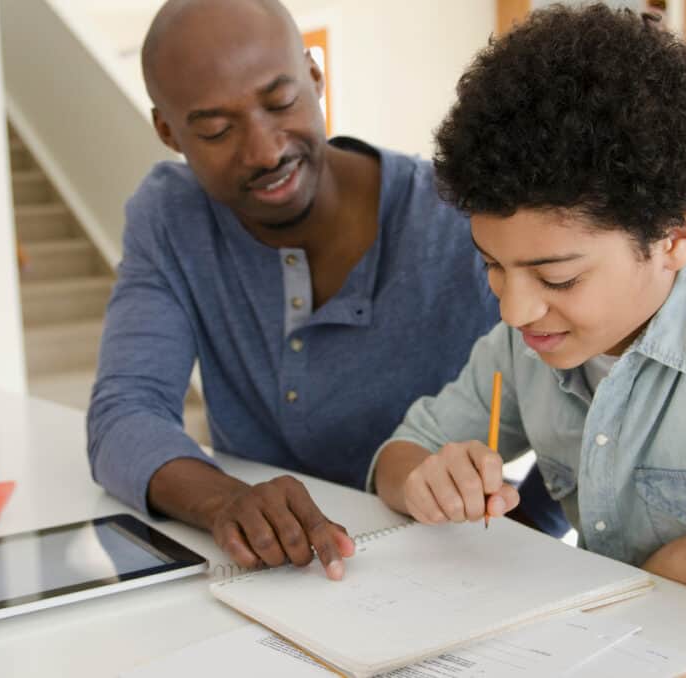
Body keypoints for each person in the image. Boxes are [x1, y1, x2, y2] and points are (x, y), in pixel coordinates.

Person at [372, 5, 686, 657]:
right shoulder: (526, 344)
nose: (514, 312)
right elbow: (405, 450)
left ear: (676, 235)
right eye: (493, 266)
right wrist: (425, 478)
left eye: (557, 278)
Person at [87, 0, 567, 581]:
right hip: (273, 580)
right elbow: (125, 413)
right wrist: (225, 502)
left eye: (280, 102)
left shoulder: (457, 220)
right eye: (216, 130)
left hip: (444, 571)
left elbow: (584, 398)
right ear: (168, 132)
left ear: (315, 77)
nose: (265, 151)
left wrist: (529, 530)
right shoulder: (170, 216)